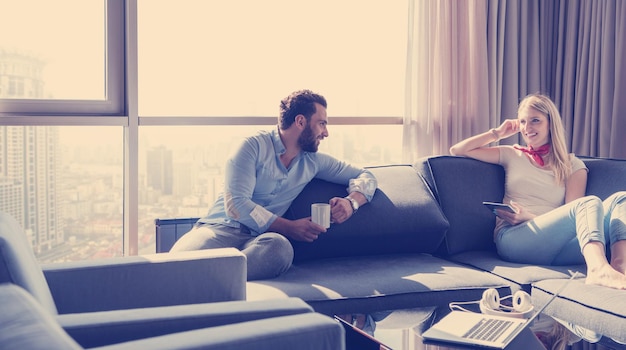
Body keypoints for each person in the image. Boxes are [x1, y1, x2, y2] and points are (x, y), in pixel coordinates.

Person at [170, 89, 377, 280]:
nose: (326, 133)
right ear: (300, 121)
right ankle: (217, 280)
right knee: (174, 267)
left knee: (281, 249)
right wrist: (289, 227)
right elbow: (236, 205)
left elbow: (366, 175)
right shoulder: (252, 146)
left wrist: (352, 203)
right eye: (321, 124)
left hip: (259, 242)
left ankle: (210, 280)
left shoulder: (314, 161)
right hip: (220, 229)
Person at [449, 93, 626, 290]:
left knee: (621, 199)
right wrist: (497, 133)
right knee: (590, 202)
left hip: (558, 246)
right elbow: (458, 150)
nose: (527, 128)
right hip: (514, 238)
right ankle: (597, 270)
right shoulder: (512, 154)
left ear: (551, 124)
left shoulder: (572, 165)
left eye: (535, 121)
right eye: (523, 121)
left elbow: (574, 216)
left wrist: (531, 216)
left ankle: (620, 267)